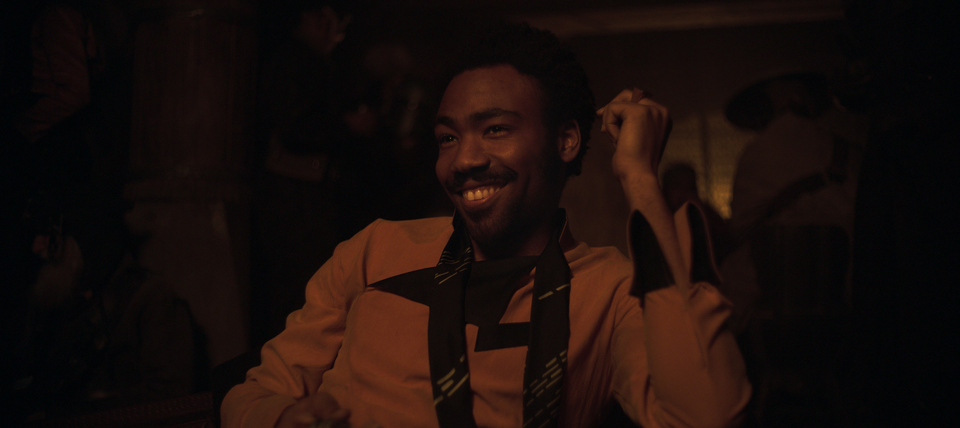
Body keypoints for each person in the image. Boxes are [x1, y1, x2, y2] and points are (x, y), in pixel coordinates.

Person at [222, 23, 749, 427]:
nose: (463, 160)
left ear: (566, 141)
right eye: (448, 138)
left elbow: (706, 416)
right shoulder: (375, 249)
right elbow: (253, 394)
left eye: (495, 129)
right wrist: (284, 419)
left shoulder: (611, 290)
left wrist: (639, 177)